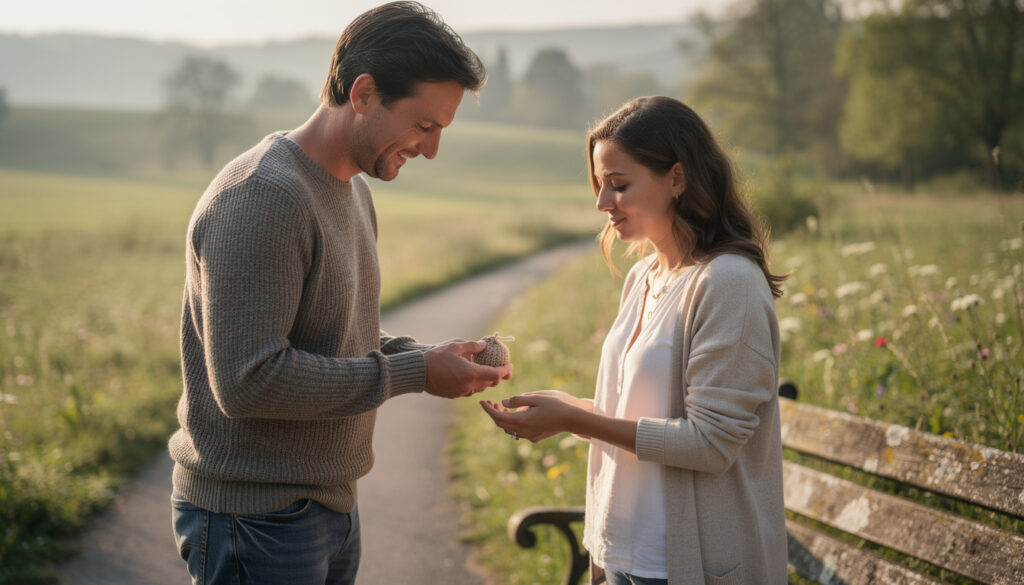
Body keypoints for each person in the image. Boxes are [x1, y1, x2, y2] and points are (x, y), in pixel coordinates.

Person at [168, 3, 512, 584]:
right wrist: (415, 373)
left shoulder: (349, 188)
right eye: (423, 126)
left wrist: (426, 355)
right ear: (364, 92)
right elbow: (250, 381)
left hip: (327, 504)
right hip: (256, 519)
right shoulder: (264, 197)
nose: (430, 150)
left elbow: (333, 334)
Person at [482, 96, 788, 585]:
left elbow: (710, 445)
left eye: (619, 186)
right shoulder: (644, 275)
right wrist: (570, 411)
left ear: (677, 178)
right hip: (622, 550)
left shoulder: (728, 283)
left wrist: (574, 418)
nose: (603, 205)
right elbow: (648, 414)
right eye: (600, 187)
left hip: (684, 567)